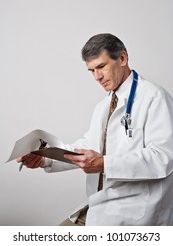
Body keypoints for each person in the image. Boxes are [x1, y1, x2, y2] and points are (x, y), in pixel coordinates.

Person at [17, 33, 173, 226]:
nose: (97, 77)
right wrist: (45, 158)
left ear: (122, 58)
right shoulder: (103, 106)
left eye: (101, 66)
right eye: (91, 70)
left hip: (136, 215)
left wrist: (104, 164)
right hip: (99, 207)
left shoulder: (155, 98)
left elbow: (163, 158)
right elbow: (88, 147)